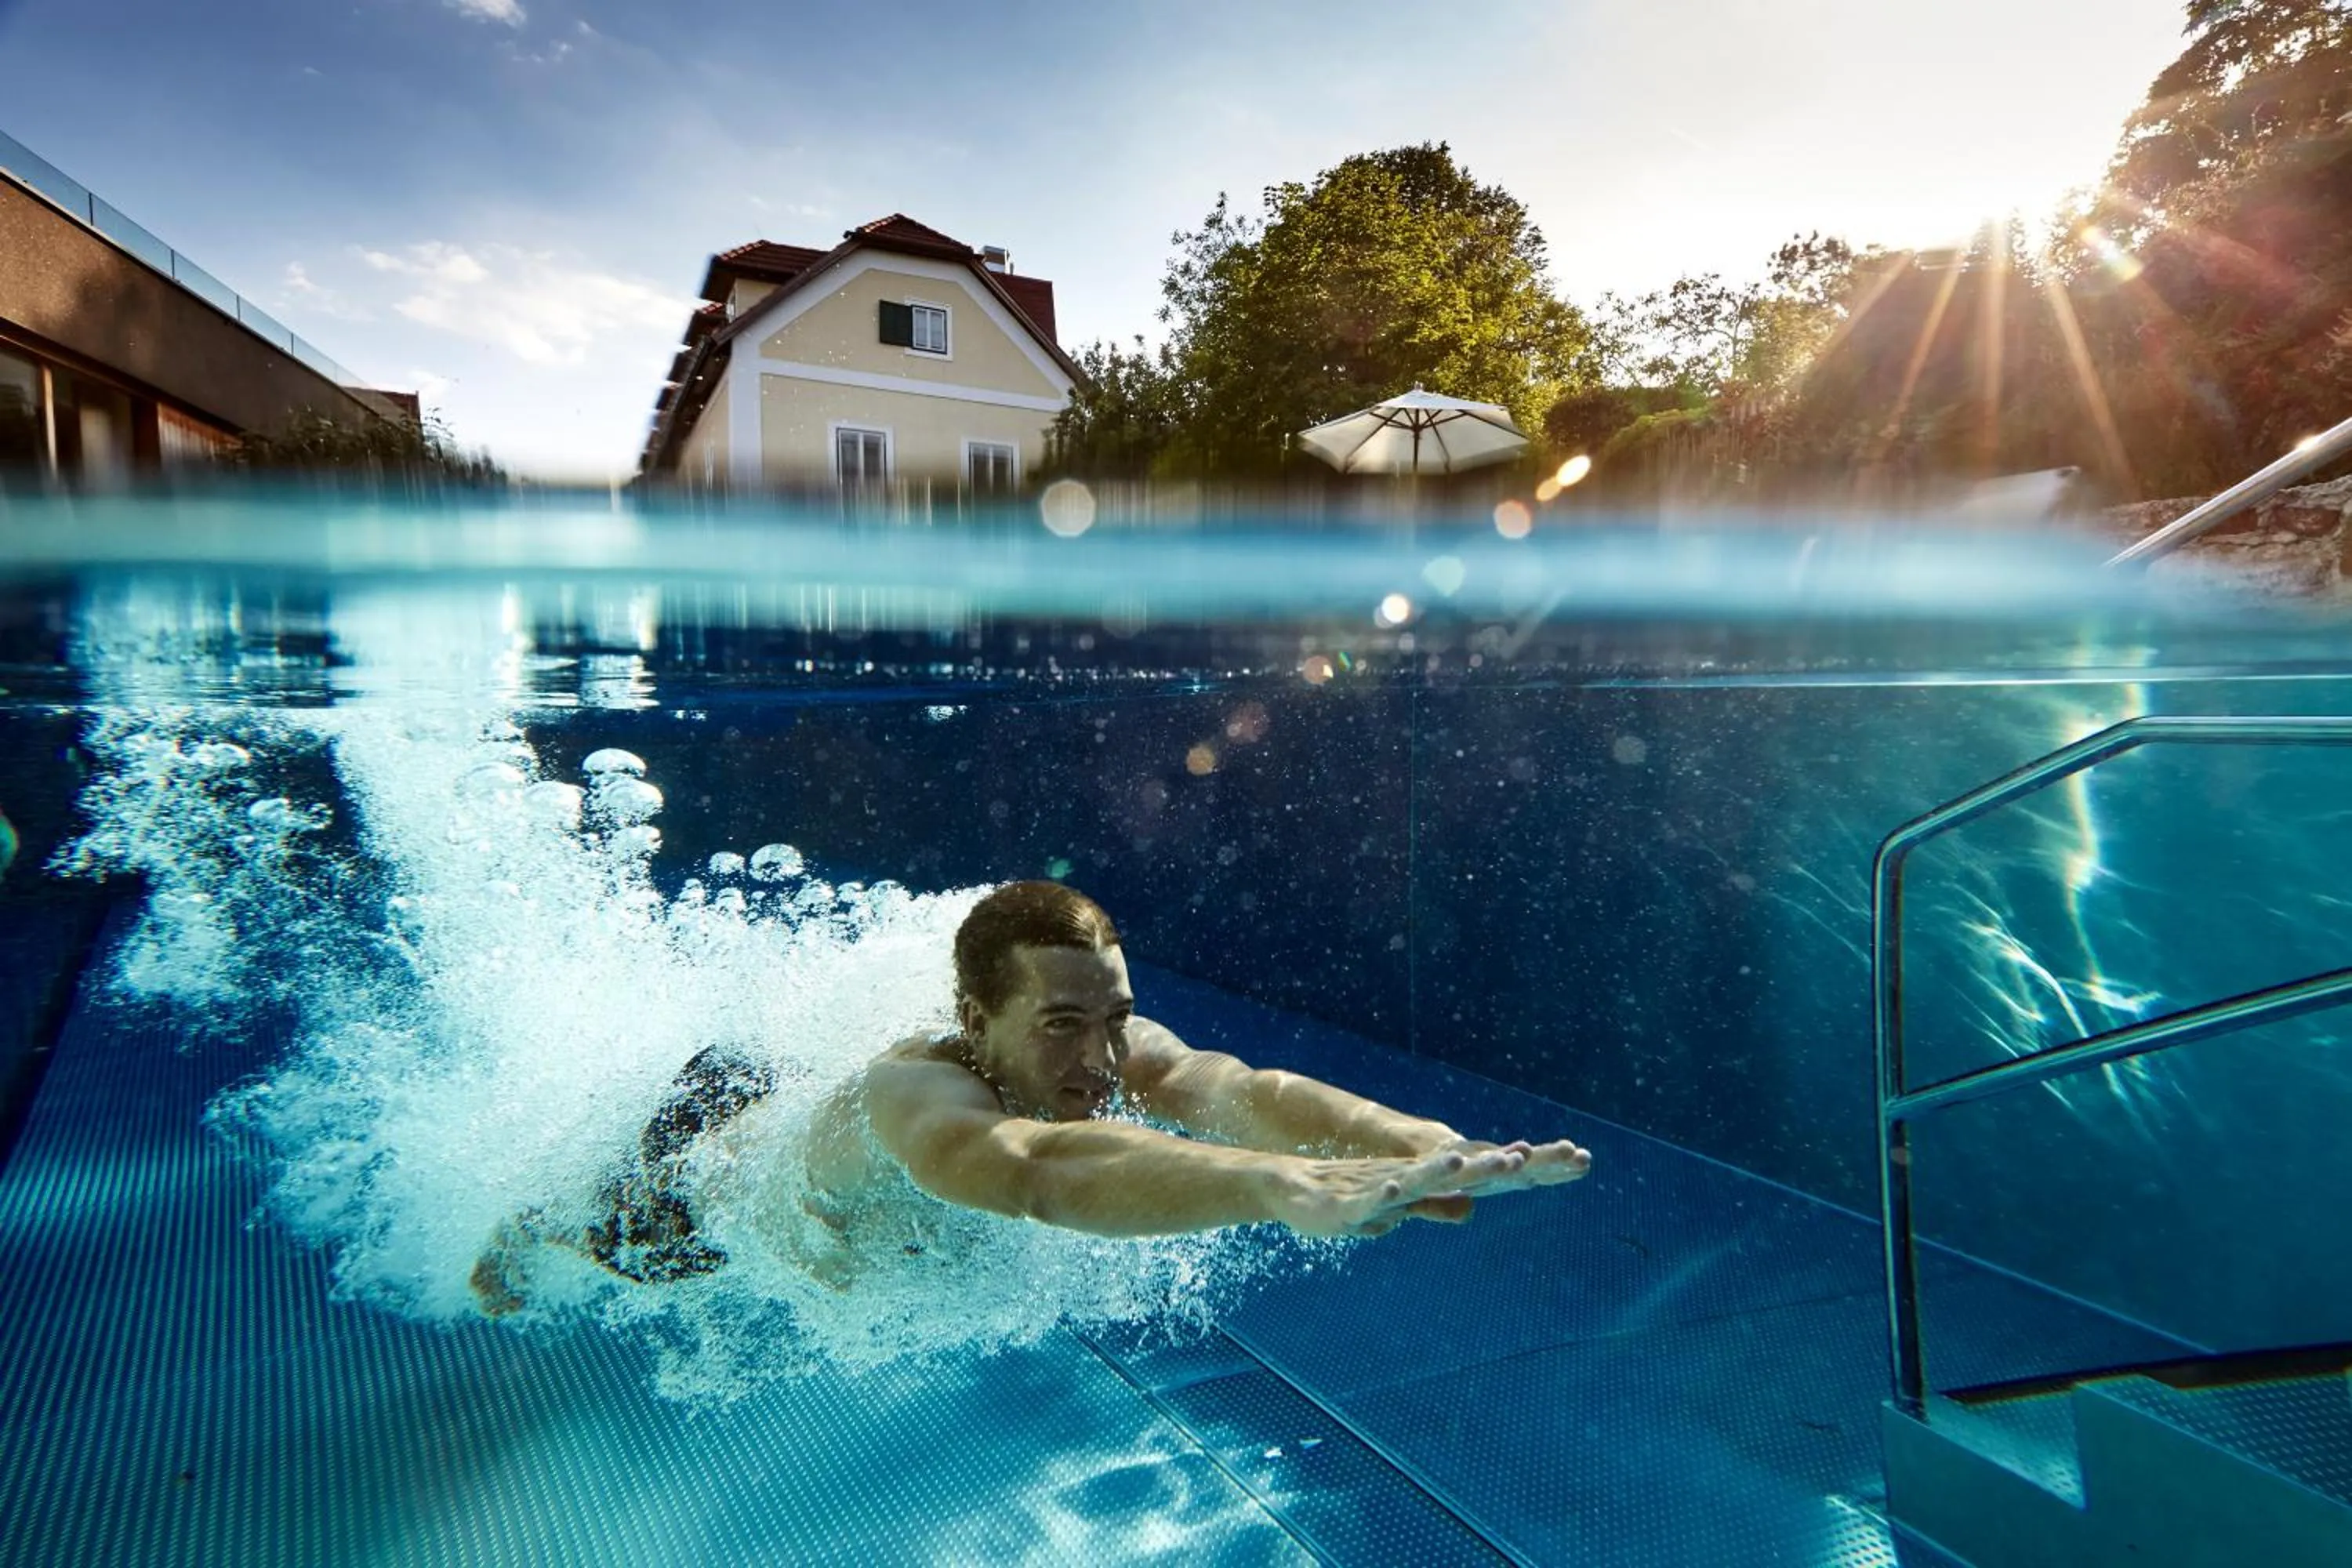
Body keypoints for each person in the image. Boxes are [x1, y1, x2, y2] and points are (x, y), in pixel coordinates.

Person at [472, 880, 1589, 1312]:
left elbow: (1233, 1085)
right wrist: (1277, 1186)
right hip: (702, 1183)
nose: (1099, 1062)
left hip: (779, 1107)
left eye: (1114, 1018)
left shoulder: (1103, 1041)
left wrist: (1426, 1143)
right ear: (977, 1021)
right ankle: (521, 1234)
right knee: (599, 1242)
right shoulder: (913, 1094)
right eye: (1060, 1026)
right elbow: (1035, 1173)